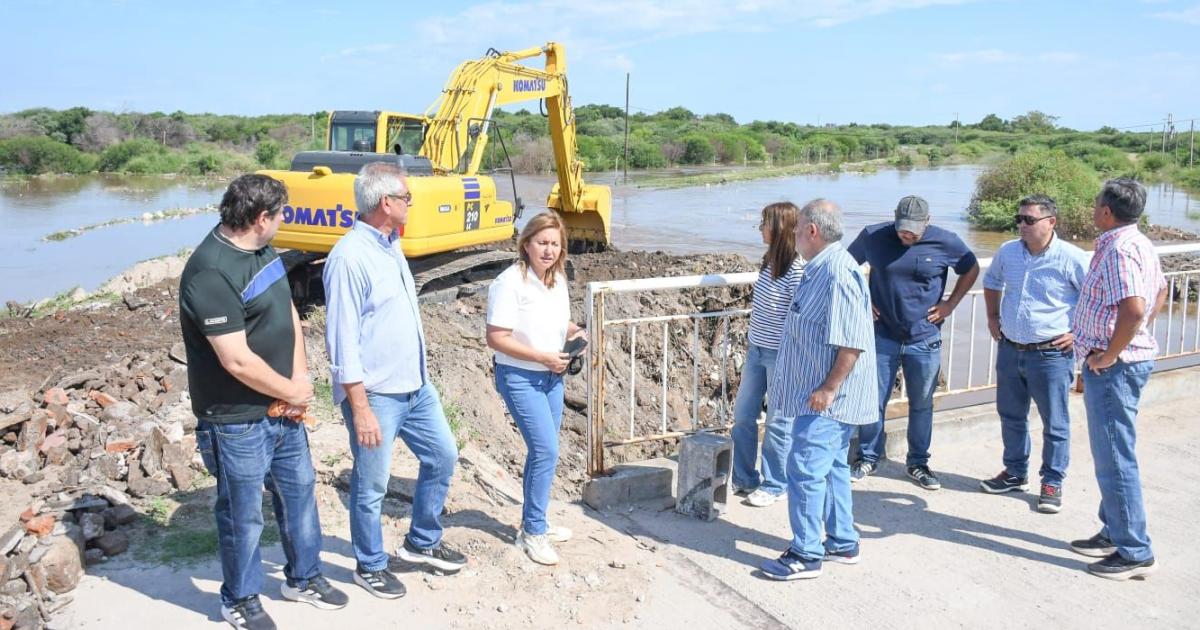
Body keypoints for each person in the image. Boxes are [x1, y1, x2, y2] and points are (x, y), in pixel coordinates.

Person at [180, 174, 347, 630]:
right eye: (279, 215)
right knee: (243, 513)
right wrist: (288, 391)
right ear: (260, 218)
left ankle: (303, 576)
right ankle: (240, 597)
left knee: (298, 496)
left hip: (282, 409)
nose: (282, 222)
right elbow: (235, 360)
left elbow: (287, 313)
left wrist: (299, 377)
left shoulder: (260, 251)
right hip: (236, 420)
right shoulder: (211, 272)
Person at [324, 162, 467, 600]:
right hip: (377, 396)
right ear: (386, 203)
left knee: (443, 456)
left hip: (416, 389)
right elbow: (342, 341)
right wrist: (361, 407)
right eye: (406, 197)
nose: (411, 202)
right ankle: (369, 565)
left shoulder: (390, 245)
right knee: (371, 487)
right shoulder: (349, 258)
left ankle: (422, 541)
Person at [759, 199, 878, 581]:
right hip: (819, 393)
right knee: (833, 469)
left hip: (828, 399)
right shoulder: (819, 268)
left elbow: (852, 342)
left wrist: (828, 389)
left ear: (812, 231)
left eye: (796, 231)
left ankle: (805, 553)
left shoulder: (837, 274)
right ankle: (842, 542)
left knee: (806, 469)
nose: (792, 237)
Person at [1069, 178, 1167, 580]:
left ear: (1107, 211)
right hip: (1121, 362)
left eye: (1096, 205)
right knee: (1113, 452)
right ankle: (1114, 531)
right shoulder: (1136, 242)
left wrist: (1110, 353)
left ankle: (1135, 552)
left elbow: (1134, 306)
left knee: (1114, 458)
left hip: (1115, 368)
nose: (1093, 209)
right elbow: (1159, 291)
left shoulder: (1121, 250)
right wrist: (1136, 335)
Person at [847, 195, 980, 490]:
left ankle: (918, 462)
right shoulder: (873, 236)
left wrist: (950, 304)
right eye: (901, 228)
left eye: (913, 231)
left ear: (927, 223)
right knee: (872, 400)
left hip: (924, 338)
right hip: (881, 336)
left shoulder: (946, 242)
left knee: (921, 404)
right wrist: (860, 301)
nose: (905, 234)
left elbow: (971, 268)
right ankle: (868, 457)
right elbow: (843, 266)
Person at [486, 212, 587, 565]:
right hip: (520, 377)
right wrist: (542, 357)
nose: (548, 250)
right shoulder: (509, 283)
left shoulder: (556, 279)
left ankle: (536, 520)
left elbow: (556, 320)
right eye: (542, 243)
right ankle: (532, 533)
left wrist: (573, 332)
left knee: (543, 452)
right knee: (546, 451)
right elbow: (496, 338)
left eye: (555, 244)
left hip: (551, 376)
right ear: (526, 243)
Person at [979, 195, 1088, 513]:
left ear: (1050, 221)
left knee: (1055, 422)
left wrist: (1079, 333)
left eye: (1029, 220)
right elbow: (991, 281)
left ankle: (1052, 481)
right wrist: (992, 316)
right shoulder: (1008, 251)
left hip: (1051, 354)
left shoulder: (1072, 258)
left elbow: (1096, 297)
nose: (1021, 225)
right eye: (1019, 219)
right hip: (1011, 349)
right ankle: (1015, 472)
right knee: (1011, 415)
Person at [731, 202, 805, 507]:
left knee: (778, 421)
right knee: (743, 415)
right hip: (757, 350)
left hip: (781, 354)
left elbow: (800, 316)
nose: (761, 228)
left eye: (764, 223)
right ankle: (745, 478)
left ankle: (776, 483)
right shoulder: (769, 261)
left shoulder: (797, 268)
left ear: (779, 228)